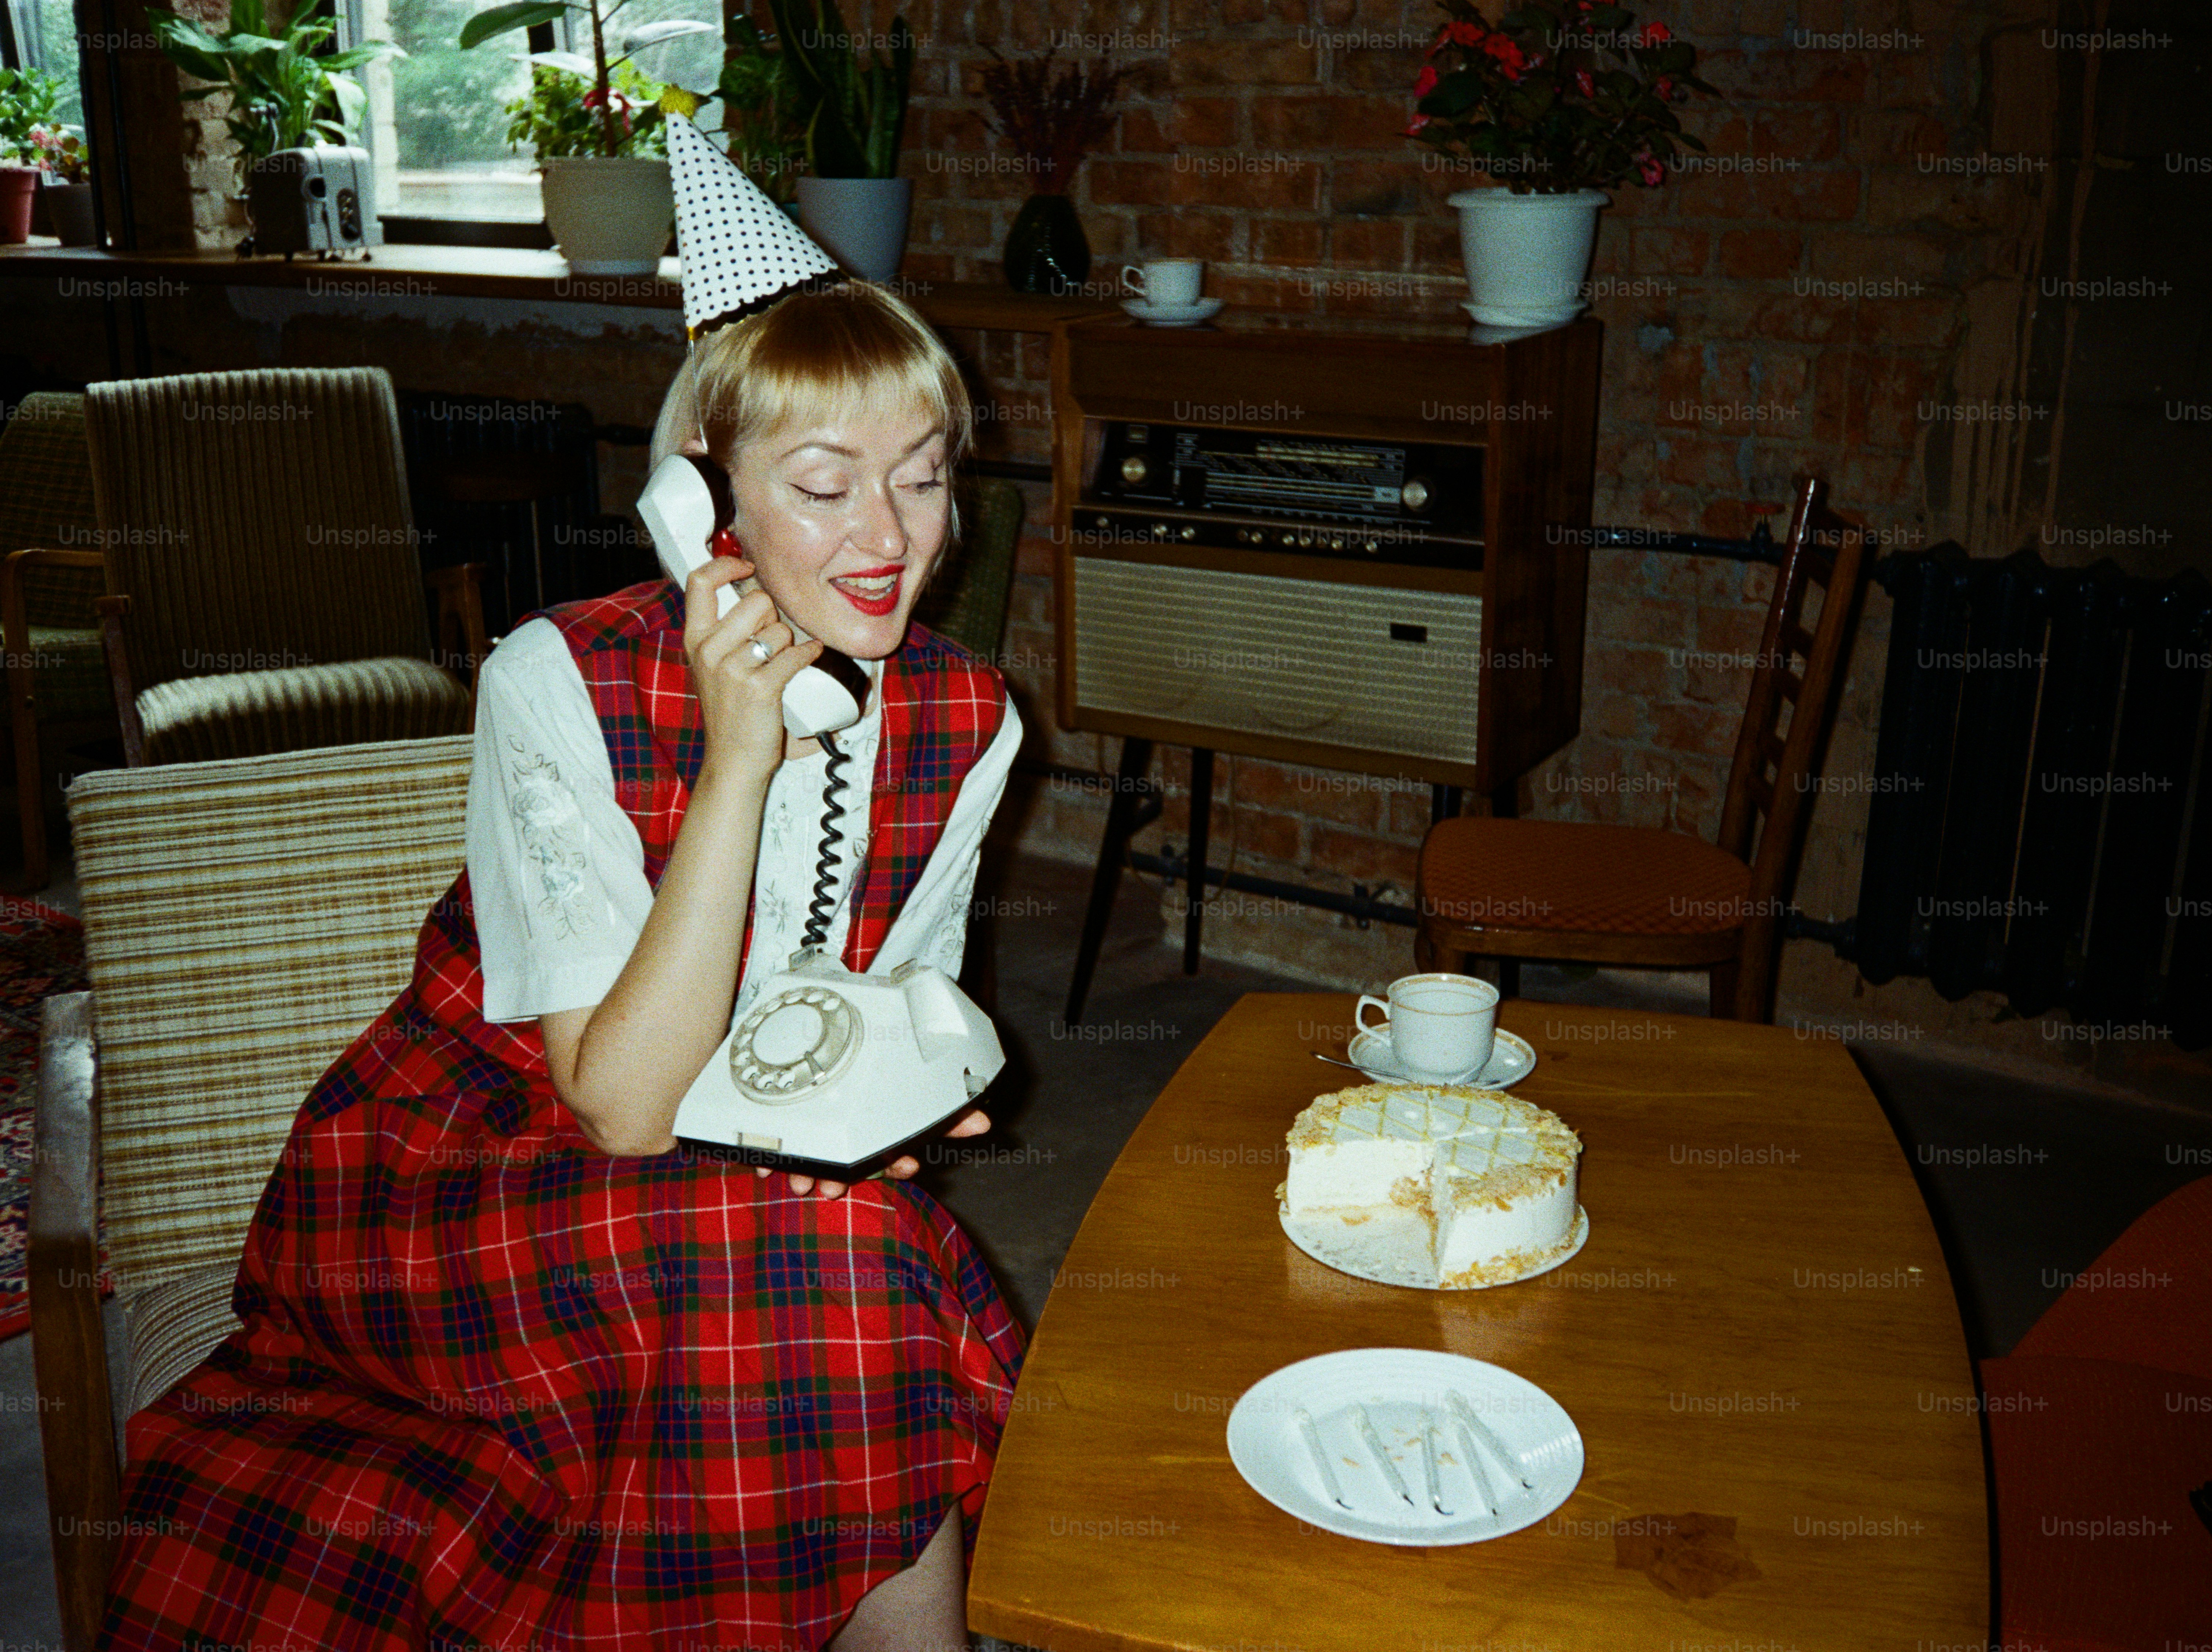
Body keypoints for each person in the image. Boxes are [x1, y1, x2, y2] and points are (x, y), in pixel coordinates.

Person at [96, 278, 1027, 1652]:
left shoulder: (969, 716)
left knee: (855, 1237)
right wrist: (741, 756)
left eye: (924, 479)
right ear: (699, 505)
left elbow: (867, 1016)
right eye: (826, 487)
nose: (891, 538)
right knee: (860, 1266)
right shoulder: (555, 678)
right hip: (477, 1156)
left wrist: (895, 1104)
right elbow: (625, 1106)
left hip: (737, 1171)